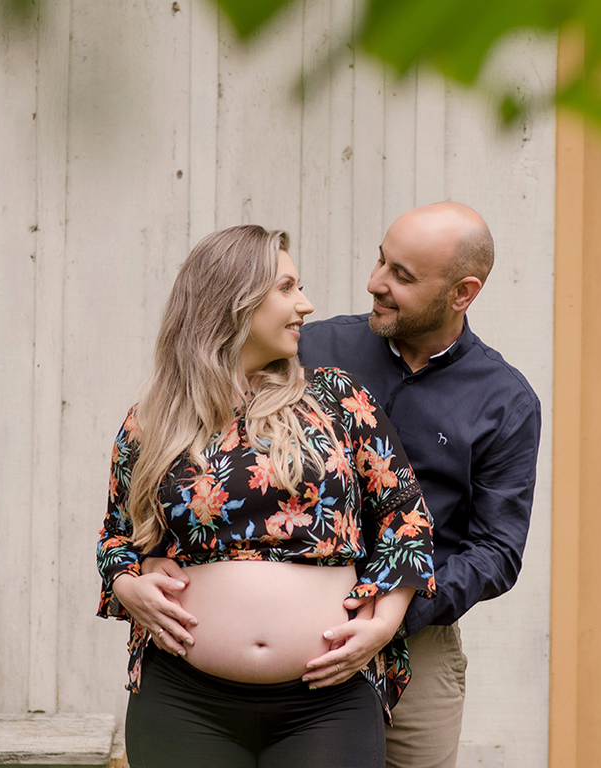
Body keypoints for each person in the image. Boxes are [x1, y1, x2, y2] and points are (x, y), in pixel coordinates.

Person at [96, 225, 437, 768]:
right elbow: (117, 536)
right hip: (185, 697)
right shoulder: (154, 418)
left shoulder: (337, 399)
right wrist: (127, 584)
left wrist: (384, 622)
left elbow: (405, 519)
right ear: (234, 299)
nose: (304, 304)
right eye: (286, 287)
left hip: (327, 700)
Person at [298, 202, 541, 768]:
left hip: (420, 641)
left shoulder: (506, 400)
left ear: (462, 293)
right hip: (296, 626)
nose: (375, 283)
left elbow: (497, 551)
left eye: (402, 276)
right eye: (382, 261)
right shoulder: (308, 351)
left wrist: (393, 612)